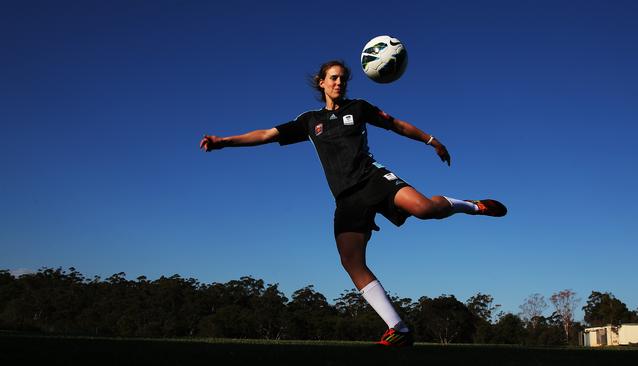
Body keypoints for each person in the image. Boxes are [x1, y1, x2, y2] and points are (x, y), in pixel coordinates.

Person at [199, 60, 506, 346]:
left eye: (343, 79)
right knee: (351, 262)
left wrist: (431, 140)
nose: (339, 83)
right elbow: (266, 134)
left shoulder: (359, 108)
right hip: (346, 197)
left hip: (372, 179)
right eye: (333, 78)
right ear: (321, 83)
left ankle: (471, 205)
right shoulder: (309, 121)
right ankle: (398, 328)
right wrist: (224, 141)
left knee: (424, 209)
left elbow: (397, 124)